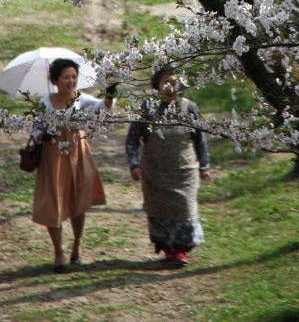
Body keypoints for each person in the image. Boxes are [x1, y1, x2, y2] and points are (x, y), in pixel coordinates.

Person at [32, 58, 115, 272]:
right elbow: (35, 129)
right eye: (66, 77)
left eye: (74, 77)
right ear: (55, 80)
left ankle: (77, 245)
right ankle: (58, 252)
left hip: (78, 151)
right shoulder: (44, 102)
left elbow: (102, 108)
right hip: (53, 154)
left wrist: (109, 97)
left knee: (79, 199)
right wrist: (43, 134)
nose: (71, 81)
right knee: (54, 200)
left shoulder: (80, 99)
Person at [125, 68, 210, 267]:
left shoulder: (189, 108)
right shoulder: (147, 107)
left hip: (184, 171)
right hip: (155, 172)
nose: (170, 87)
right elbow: (132, 138)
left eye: (174, 82)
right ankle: (168, 249)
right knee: (160, 210)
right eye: (166, 82)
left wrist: (204, 165)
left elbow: (200, 139)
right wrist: (134, 164)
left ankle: (181, 249)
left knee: (184, 208)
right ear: (157, 85)